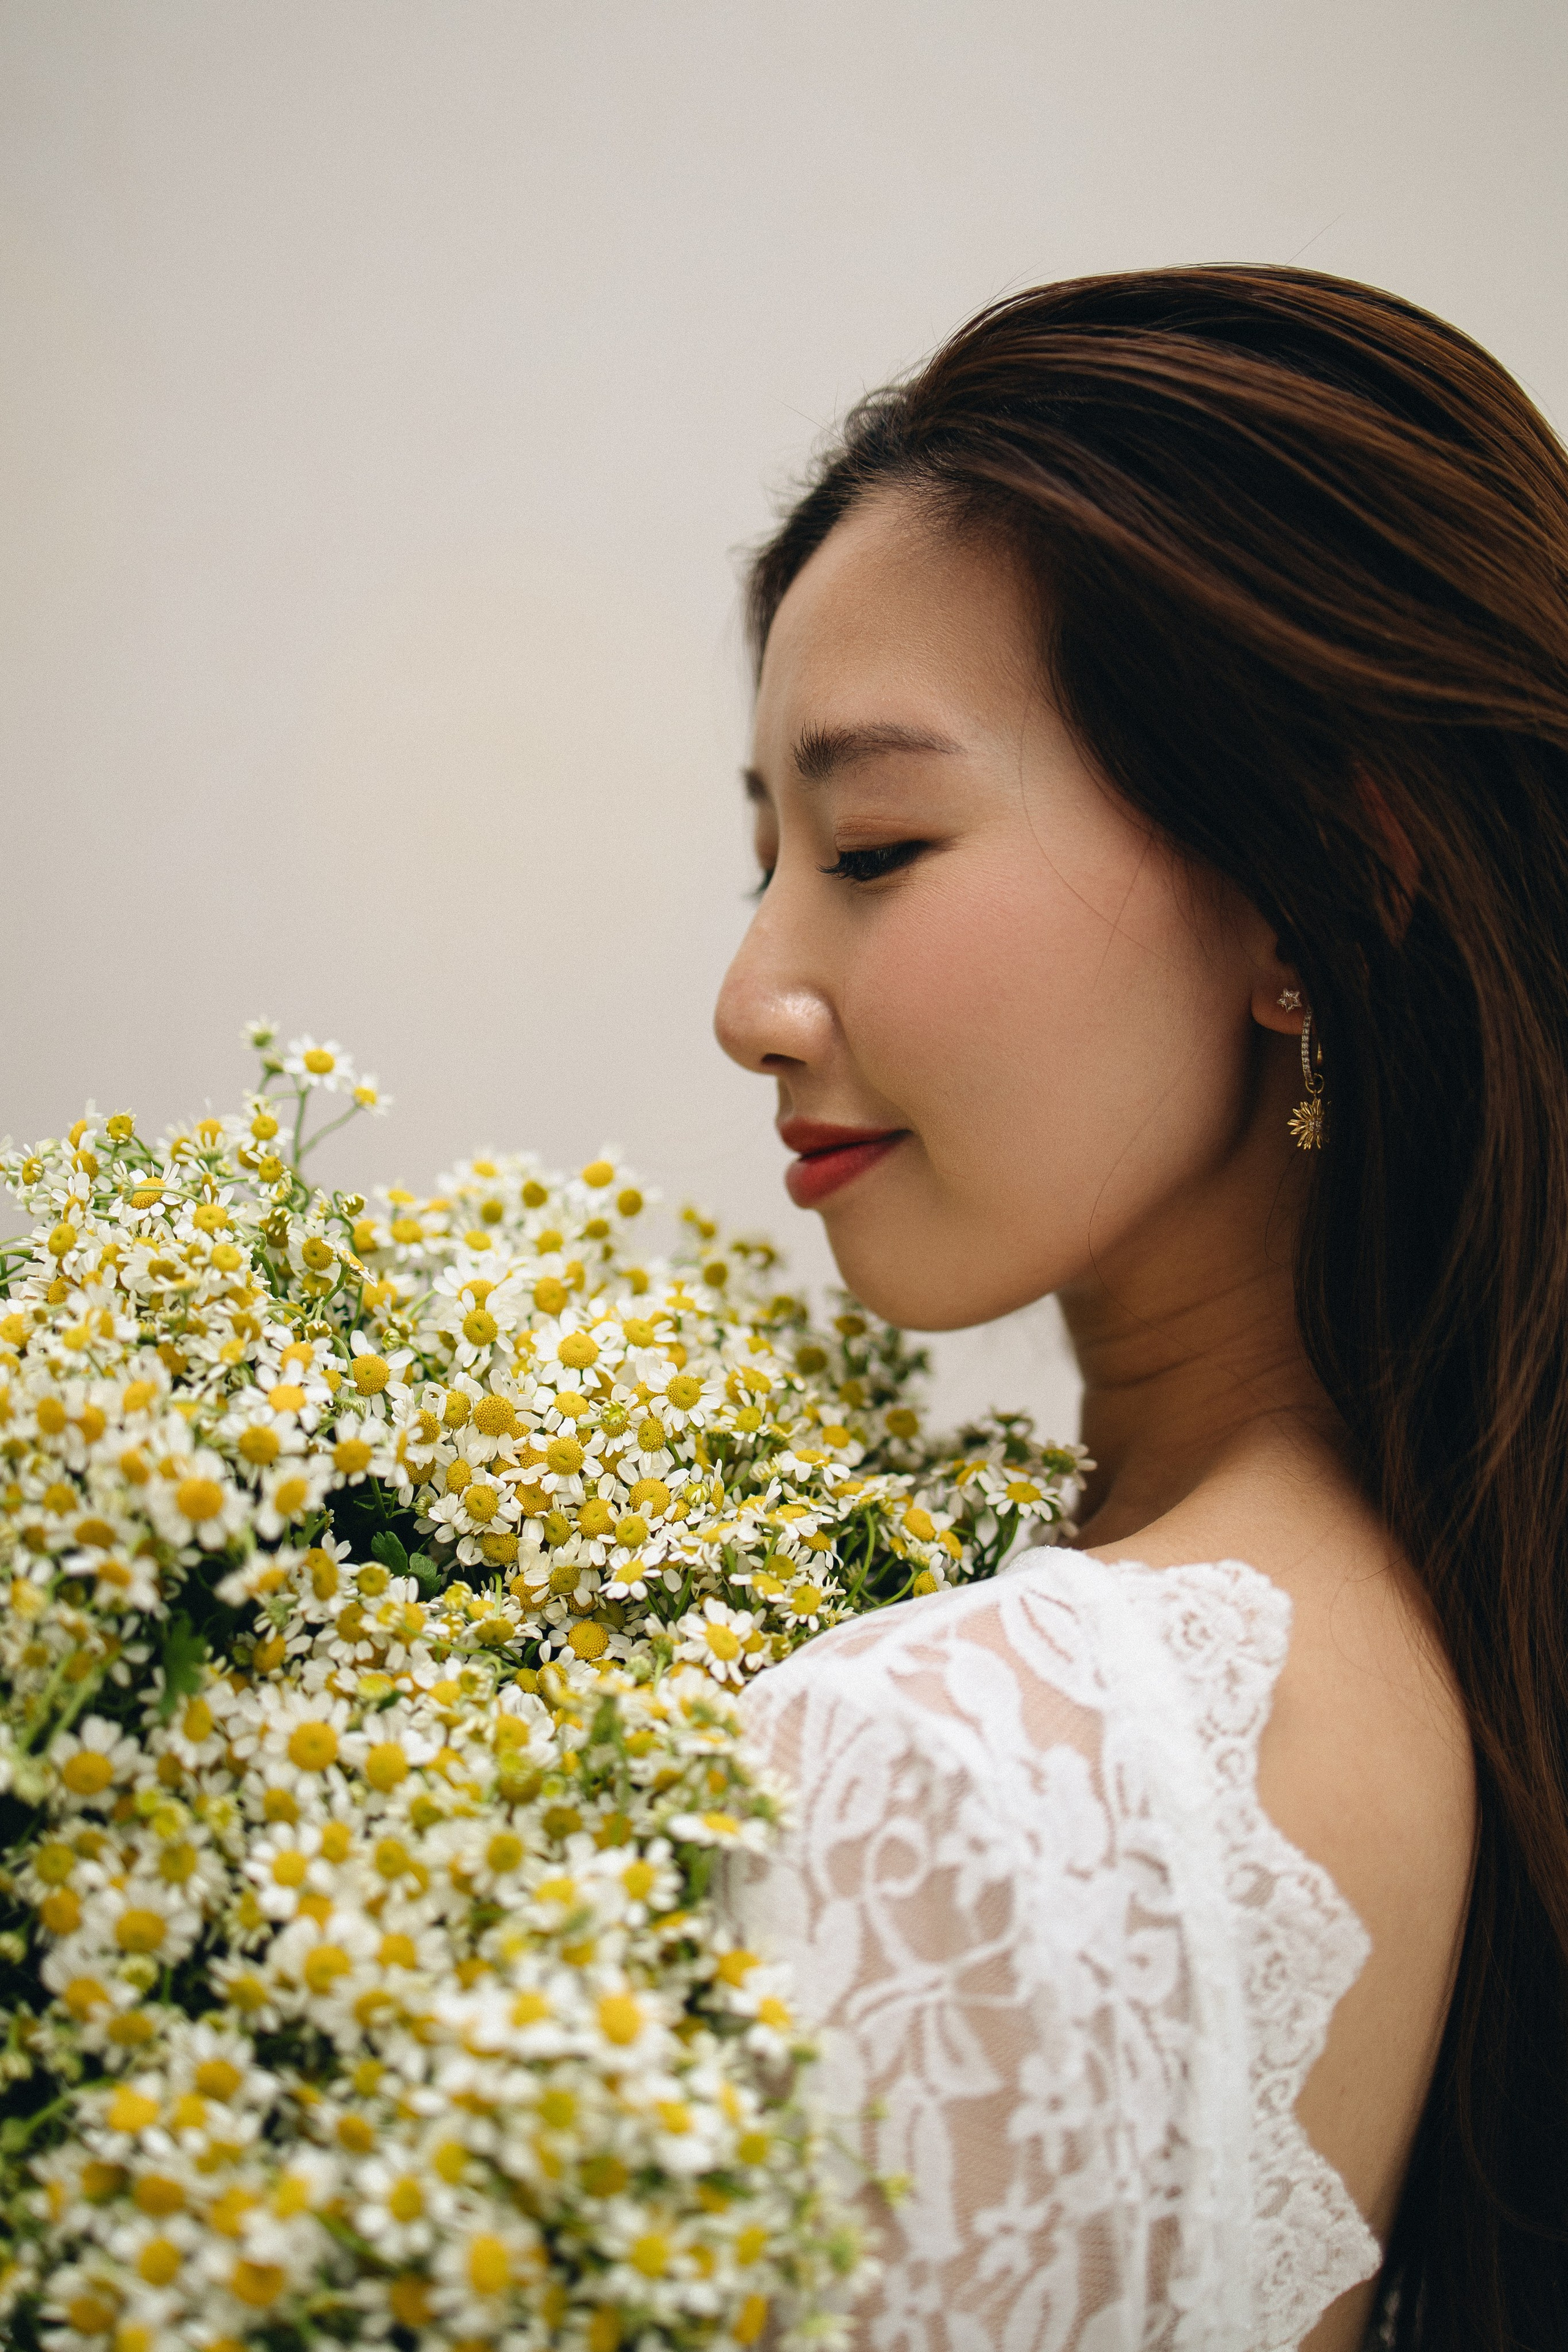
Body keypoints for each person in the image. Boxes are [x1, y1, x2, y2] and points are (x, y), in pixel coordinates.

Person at [713, 268, 1568, 2351]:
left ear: (1321, 884)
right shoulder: (1462, 1632)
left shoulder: (978, 1749)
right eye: (762, 865)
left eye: (878, 845)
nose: (750, 1004)